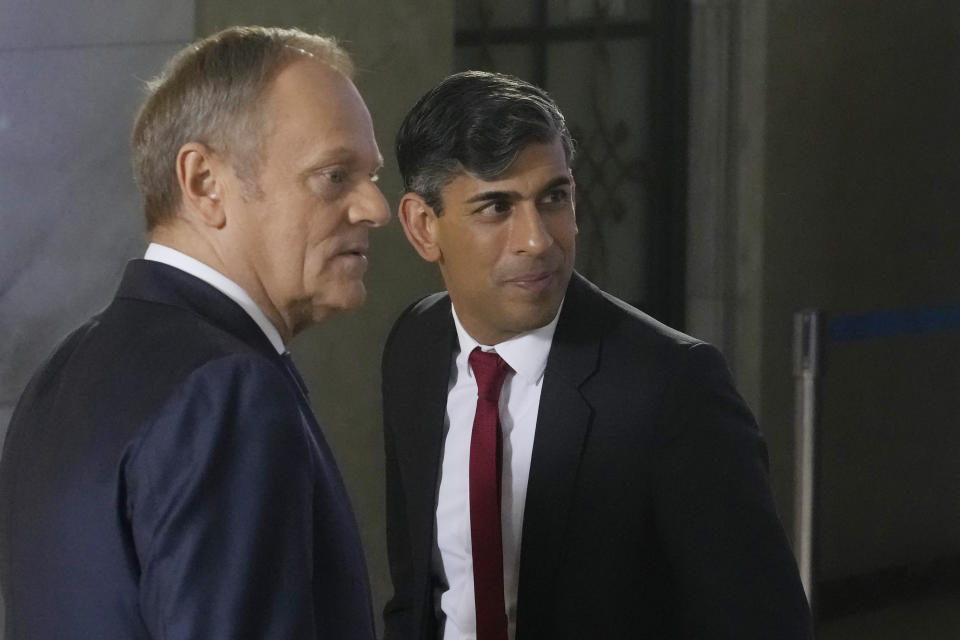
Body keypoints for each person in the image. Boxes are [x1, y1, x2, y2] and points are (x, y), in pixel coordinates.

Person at [381, 71, 810, 640]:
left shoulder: (672, 386)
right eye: (496, 207)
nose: (537, 239)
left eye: (553, 197)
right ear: (422, 226)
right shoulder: (414, 344)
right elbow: (418, 593)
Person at [0, 26, 390, 639]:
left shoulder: (60, 375)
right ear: (205, 183)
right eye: (335, 176)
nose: (376, 207)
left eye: (373, 175)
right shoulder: (227, 392)